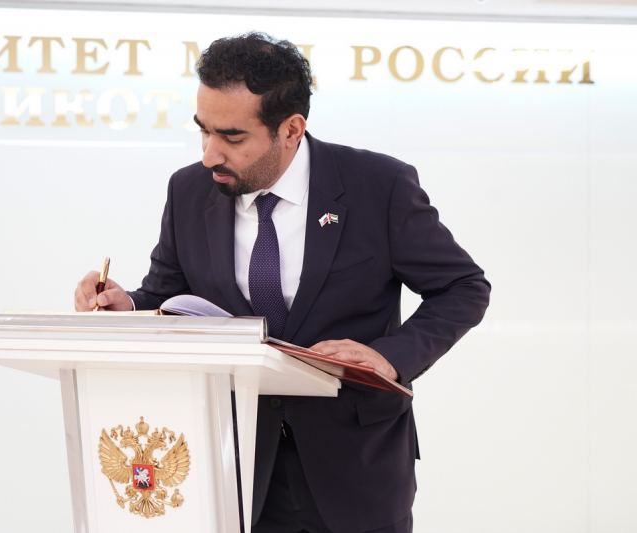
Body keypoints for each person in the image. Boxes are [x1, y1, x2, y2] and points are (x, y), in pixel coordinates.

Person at [74, 32, 490, 533]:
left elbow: (463, 287)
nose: (209, 155)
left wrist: (391, 358)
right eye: (203, 131)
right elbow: (169, 294)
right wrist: (128, 306)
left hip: (357, 469)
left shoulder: (379, 186)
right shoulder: (188, 190)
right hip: (234, 471)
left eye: (232, 138)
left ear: (291, 129)